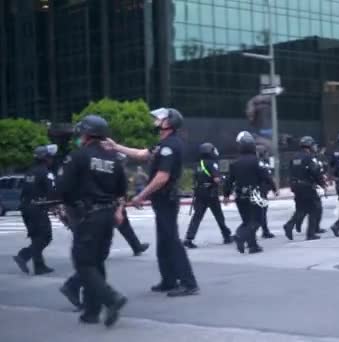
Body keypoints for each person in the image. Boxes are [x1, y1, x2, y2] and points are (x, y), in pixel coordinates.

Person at [104, 107, 199, 297]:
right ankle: (169, 280)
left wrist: (141, 195)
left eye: (161, 118)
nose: (156, 121)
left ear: (169, 123)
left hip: (166, 199)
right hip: (161, 200)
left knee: (171, 240)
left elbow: (162, 177)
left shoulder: (170, 146)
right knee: (164, 241)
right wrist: (116, 147)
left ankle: (188, 283)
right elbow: (141, 154)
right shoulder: (162, 144)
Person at [56, 115, 128, 326]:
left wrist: (65, 205)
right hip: (108, 216)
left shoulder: (78, 156)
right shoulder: (114, 160)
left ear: (86, 134)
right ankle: (92, 311)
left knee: (84, 262)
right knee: (96, 262)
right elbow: (122, 190)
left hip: (88, 216)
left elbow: (63, 187)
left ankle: (111, 298)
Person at [223, 131, 278, 254]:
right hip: (254, 194)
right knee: (257, 220)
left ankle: (253, 245)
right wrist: (274, 188)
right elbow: (266, 177)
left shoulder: (235, 164)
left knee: (247, 221)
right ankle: (240, 236)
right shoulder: (256, 161)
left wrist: (226, 195)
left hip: (240, 195)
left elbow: (229, 181)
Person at [13, 144, 58, 275]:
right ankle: (24, 255)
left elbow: (26, 191)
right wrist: (57, 206)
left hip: (26, 208)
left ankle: (39, 266)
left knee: (36, 237)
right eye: (50, 157)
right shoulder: (46, 173)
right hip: (37, 208)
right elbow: (52, 192)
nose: (52, 160)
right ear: (46, 159)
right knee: (46, 237)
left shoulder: (30, 172)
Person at [184, 143, 233, 248]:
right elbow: (216, 179)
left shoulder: (198, 164)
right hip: (210, 193)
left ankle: (189, 238)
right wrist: (224, 179)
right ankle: (227, 236)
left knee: (197, 217)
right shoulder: (211, 163)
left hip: (199, 193)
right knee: (219, 216)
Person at [283, 136, 326, 241]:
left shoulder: (294, 157)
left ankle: (289, 225)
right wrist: (322, 184)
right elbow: (315, 172)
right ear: (309, 146)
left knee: (301, 209)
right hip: (307, 186)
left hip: (296, 186)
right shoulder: (309, 157)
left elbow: (290, 172)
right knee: (314, 209)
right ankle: (310, 234)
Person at [256, 145, 276, 239]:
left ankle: (264, 230)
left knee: (260, 212)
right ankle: (264, 231)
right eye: (265, 153)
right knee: (261, 212)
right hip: (261, 191)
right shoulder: (261, 164)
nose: (267, 155)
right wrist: (274, 188)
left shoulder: (260, 163)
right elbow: (268, 178)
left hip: (259, 190)